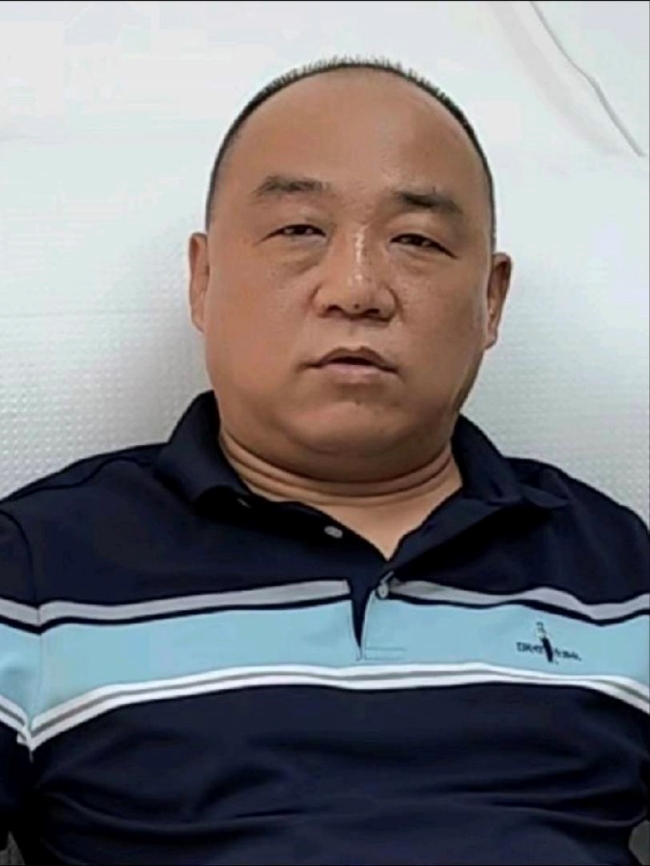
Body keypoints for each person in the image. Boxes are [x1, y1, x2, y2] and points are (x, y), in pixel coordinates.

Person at [0, 57, 648, 866]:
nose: (356, 289)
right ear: (203, 279)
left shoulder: (619, 573)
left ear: (491, 300)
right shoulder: (34, 568)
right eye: (299, 231)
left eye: (416, 240)